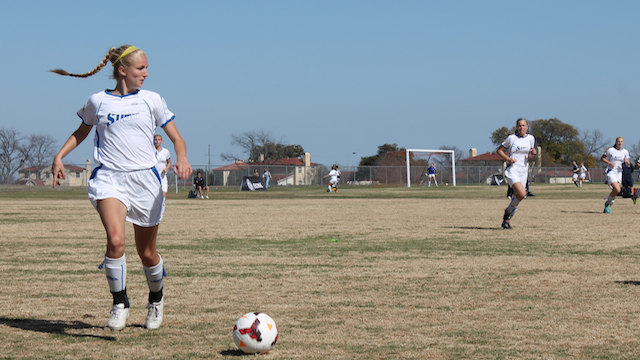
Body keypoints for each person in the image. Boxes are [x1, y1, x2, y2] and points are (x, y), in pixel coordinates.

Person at [50, 45, 192, 331]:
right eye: (141, 68)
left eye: (146, 68)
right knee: (116, 241)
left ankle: (156, 298)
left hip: (144, 182)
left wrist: (183, 158)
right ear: (122, 70)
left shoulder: (152, 100)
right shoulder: (97, 101)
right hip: (110, 179)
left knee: (147, 253)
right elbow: (82, 131)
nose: (146, 73)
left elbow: (177, 138)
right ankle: (120, 302)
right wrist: (59, 156)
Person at [497, 118, 537, 229]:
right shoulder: (511, 138)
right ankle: (508, 212)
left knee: (519, 196)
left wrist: (533, 154)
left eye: (523, 125)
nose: (521, 128)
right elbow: (499, 150)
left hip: (524, 170)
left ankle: (507, 219)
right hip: (512, 169)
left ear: (527, 127)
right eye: (519, 125)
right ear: (516, 127)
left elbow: (529, 156)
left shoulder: (531, 138)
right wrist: (508, 159)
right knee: (522, 193)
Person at [601, 137, 630, 213]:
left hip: (619, 172)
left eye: (621, 141)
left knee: (615, 191)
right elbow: (602, 158)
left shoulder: (625, 152)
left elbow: (628, 163)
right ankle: (607, 204)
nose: (620, 143)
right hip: (611, 171)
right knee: (617, 189)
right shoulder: (611, 150)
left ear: (623, 142)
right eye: (618, 141)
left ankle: (608, 205)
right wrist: (609, 163)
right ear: (616, 142)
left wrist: (627, 162)